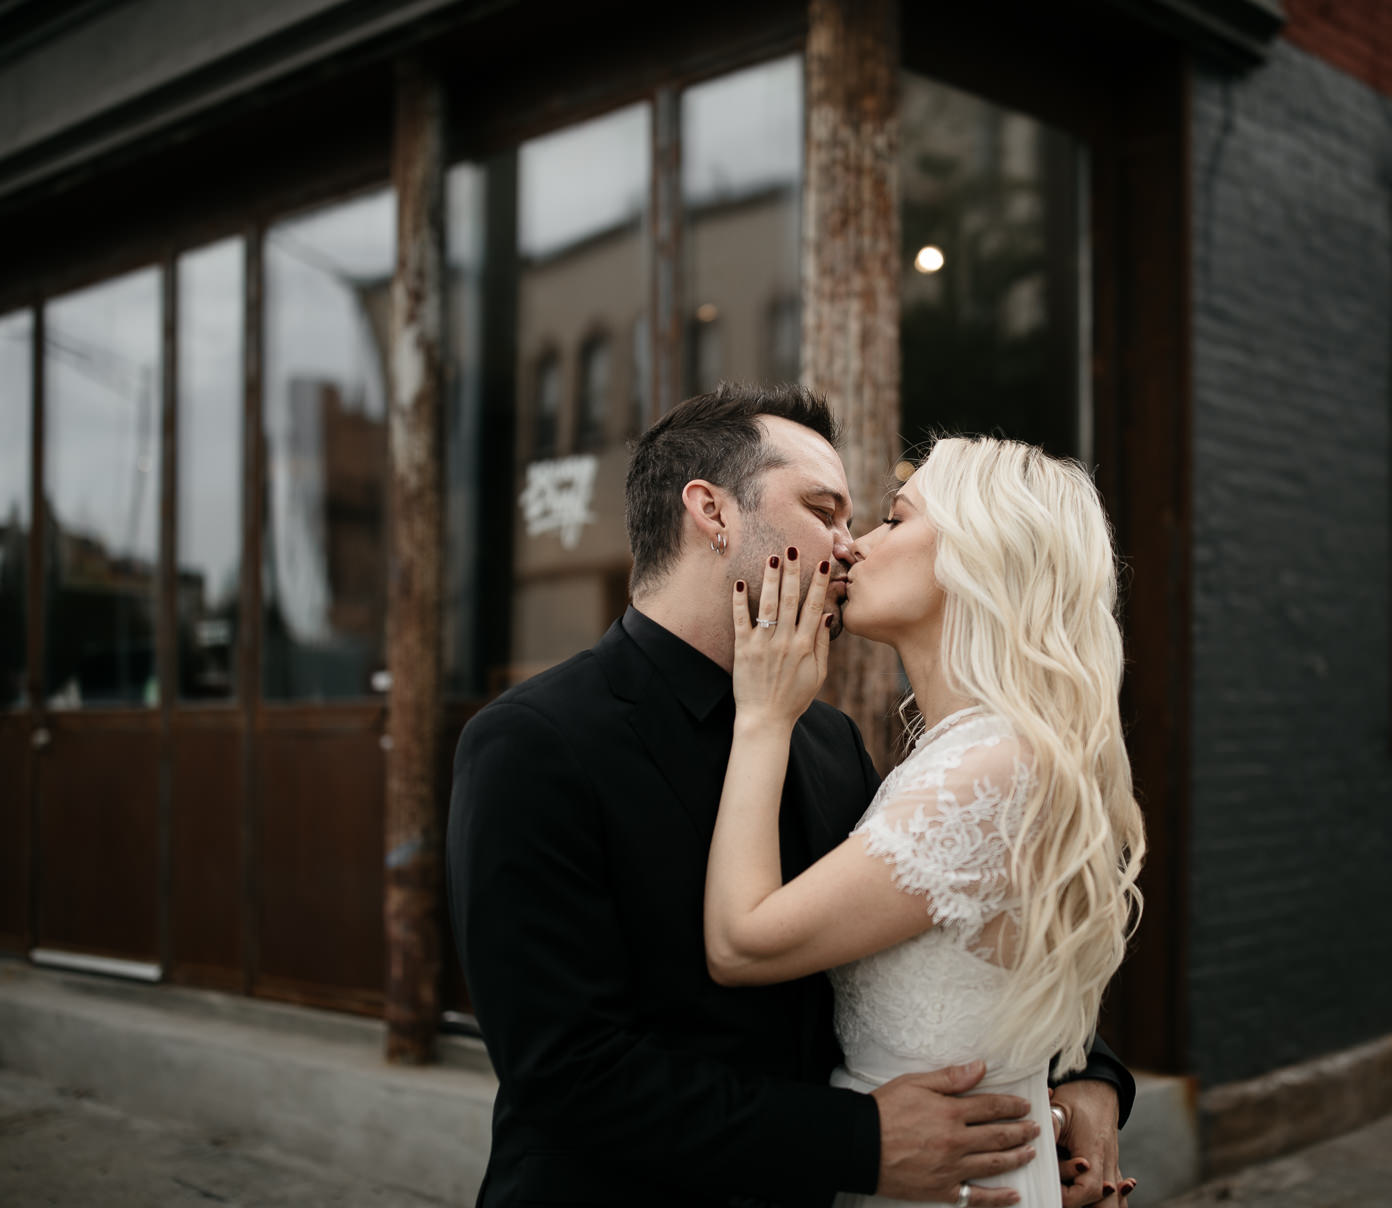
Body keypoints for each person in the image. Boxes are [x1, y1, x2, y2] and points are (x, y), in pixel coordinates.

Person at [447, 386, 1135, 1208]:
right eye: (823, 511)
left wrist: (1085, 1072)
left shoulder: (828, 739)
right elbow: (564, 1071)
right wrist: (859, 1143)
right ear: (713, 513)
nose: (849, 546)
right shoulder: (532, 741)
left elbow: (949, 922)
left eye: (868, 520)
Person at [701, 435, 1146, 1208]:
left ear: (979, 555)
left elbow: (741, 943)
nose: (856, 546)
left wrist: (764, 717)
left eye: (895, 519)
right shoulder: (965, 755)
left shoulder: (993, 769)